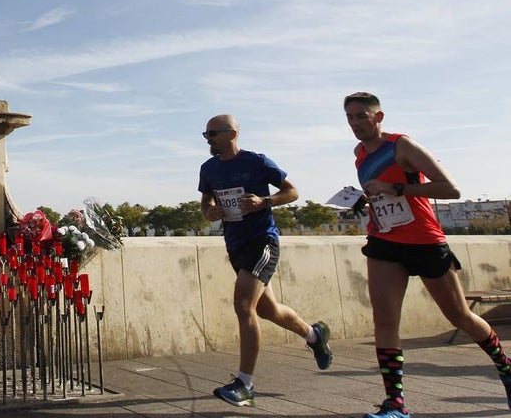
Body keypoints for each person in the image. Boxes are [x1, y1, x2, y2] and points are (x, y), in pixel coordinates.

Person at [344, 92, 511, 418]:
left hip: (424, 240)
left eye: (361, 116)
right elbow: (381, 190)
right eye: (349, 117)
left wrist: (399, 189)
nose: (355, 123)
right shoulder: (360, 154)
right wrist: (366, 199)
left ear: (378, 117)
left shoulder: (402, 146)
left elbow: (450, 189)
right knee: (385, 321)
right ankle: (396, 405)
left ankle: (505, 368)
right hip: (384, 240)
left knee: (460, 316)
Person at [198, 114, 332, 407]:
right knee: (268, 310)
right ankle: (314, 334)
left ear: (231, 134)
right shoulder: (208, 168)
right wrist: (210, 211)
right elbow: (206, 202)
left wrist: (264, 202)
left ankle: (245, 384)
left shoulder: (257, 162)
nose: (208, 139)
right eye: (206, 135)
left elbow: (292, 191)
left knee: (244, 306)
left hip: (262, 242)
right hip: (235, 244)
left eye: (212, 134)